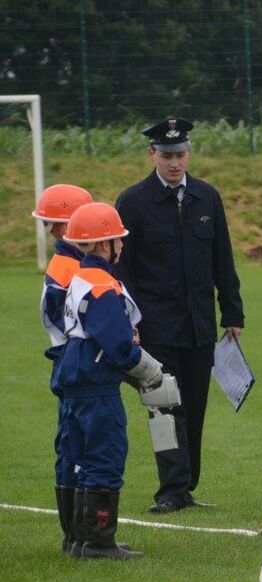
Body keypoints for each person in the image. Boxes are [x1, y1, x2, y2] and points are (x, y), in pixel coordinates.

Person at [114, 117, 244, 514]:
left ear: (189, 153)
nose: (175, 162)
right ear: (152, 154)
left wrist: (232, 313)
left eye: (181, 154)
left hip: (199, 327)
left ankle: (187, 486)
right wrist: (131, 322)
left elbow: (223, 258)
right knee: (165, 410)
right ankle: (170, 489)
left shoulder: (208, 197)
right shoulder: (132, 202)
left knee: (196, 410)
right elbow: (123, 270)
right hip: (155, 329)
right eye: (167, 155)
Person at [56, 202, 163, 559]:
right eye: (118, 239)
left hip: (75, 375)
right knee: (105, 456)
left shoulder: (81, 277)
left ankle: (81, 539)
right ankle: (99, 543)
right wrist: (148, 370)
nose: (122, 246)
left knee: (82, 458)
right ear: (105, 245)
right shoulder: (102, 284)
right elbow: (118, 343)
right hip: (96, 381)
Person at [31, 184, 93, 552]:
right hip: (76, 364)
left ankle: (76, 533)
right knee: (81, 447)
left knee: (72, 446)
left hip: (68, 362)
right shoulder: (69, 266)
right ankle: (82, 534)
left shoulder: (68, 262)